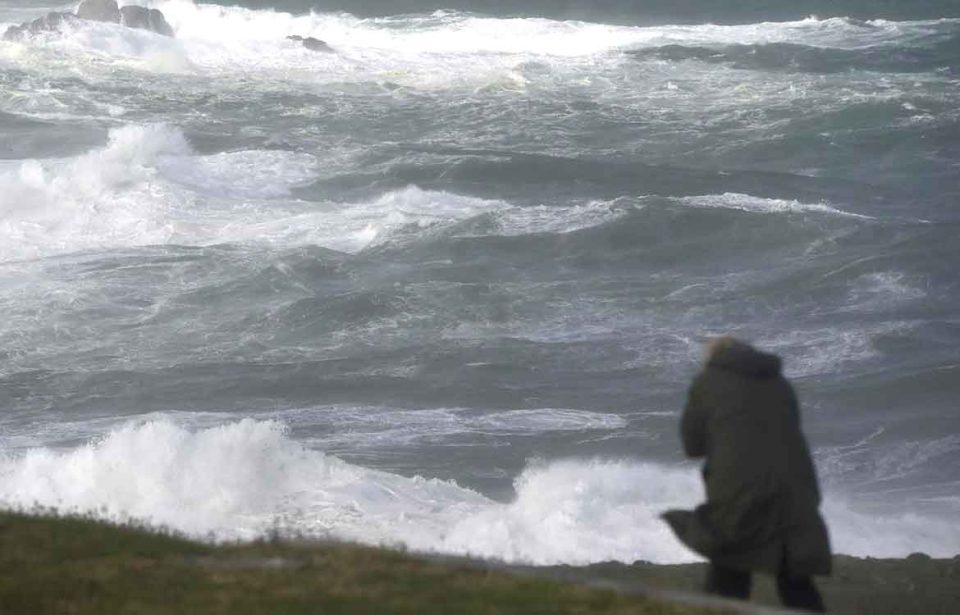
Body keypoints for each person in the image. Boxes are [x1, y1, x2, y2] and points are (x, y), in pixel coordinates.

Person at [662, 337, 831, 612]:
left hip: (740, 488)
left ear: (713, 359)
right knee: (794, 577)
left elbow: (693, 446)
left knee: (730, 564)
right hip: (796, 487)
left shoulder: (707, 382)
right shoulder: (780, 383)